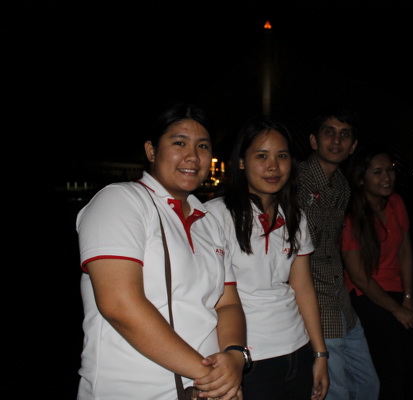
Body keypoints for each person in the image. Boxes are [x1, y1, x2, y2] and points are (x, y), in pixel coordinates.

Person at [76, 103, 246, 400]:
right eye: (179, 143)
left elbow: (227, 303)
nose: (193, 156)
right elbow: (120, 305)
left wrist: (234, 356)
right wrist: (213, 379)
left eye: (203, 146)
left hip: (204, 390)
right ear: (151, 151)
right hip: (134, 391)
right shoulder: (120, 201)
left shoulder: (209, 222)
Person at [205, 116, 329, 400]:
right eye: (262, 156)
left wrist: (320, 353)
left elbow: (303, 288)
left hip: (297, 349)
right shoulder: (215, 216)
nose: (273, 166)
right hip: (249, 358)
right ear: (241, 162)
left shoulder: (295, 216)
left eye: (281, 156)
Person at [297, 104, 379, 400]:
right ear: (314, 140)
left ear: (353, 145)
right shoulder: (295, 181)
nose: (336, 141)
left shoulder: (342, 186)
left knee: (368, 385)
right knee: (334, 391)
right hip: (315, 303)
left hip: (340, 301)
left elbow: (331, 247)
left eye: (345, 135)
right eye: (329, 132)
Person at [341, 147, 413, 400]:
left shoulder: (395, 202)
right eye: (378, 172)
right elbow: (359, 277)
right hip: (367, 296)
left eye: (390, 170)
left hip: (398, 291)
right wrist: (397, 310)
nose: (387, 177)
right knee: (390, 369)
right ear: (361, 179)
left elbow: (405, 250)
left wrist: (409, 298)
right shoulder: (352, 217)